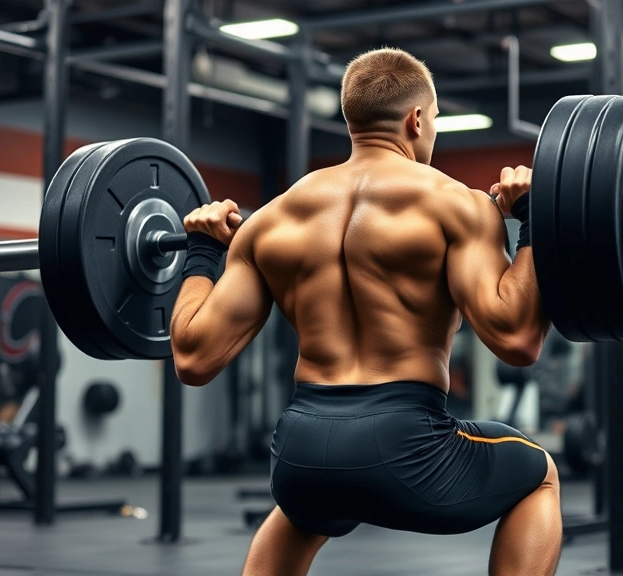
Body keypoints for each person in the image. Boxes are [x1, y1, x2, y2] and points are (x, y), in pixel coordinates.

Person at [169, 48, 561, 576]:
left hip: (299, 452)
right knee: (539, 475)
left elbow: (193, 358)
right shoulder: (456, 204)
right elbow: (517, 339)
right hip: (405, 450)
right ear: (416, 119)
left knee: (303, 513)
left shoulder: (270, 220)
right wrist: (533, 221)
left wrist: (200, 252)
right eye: (436, 121)